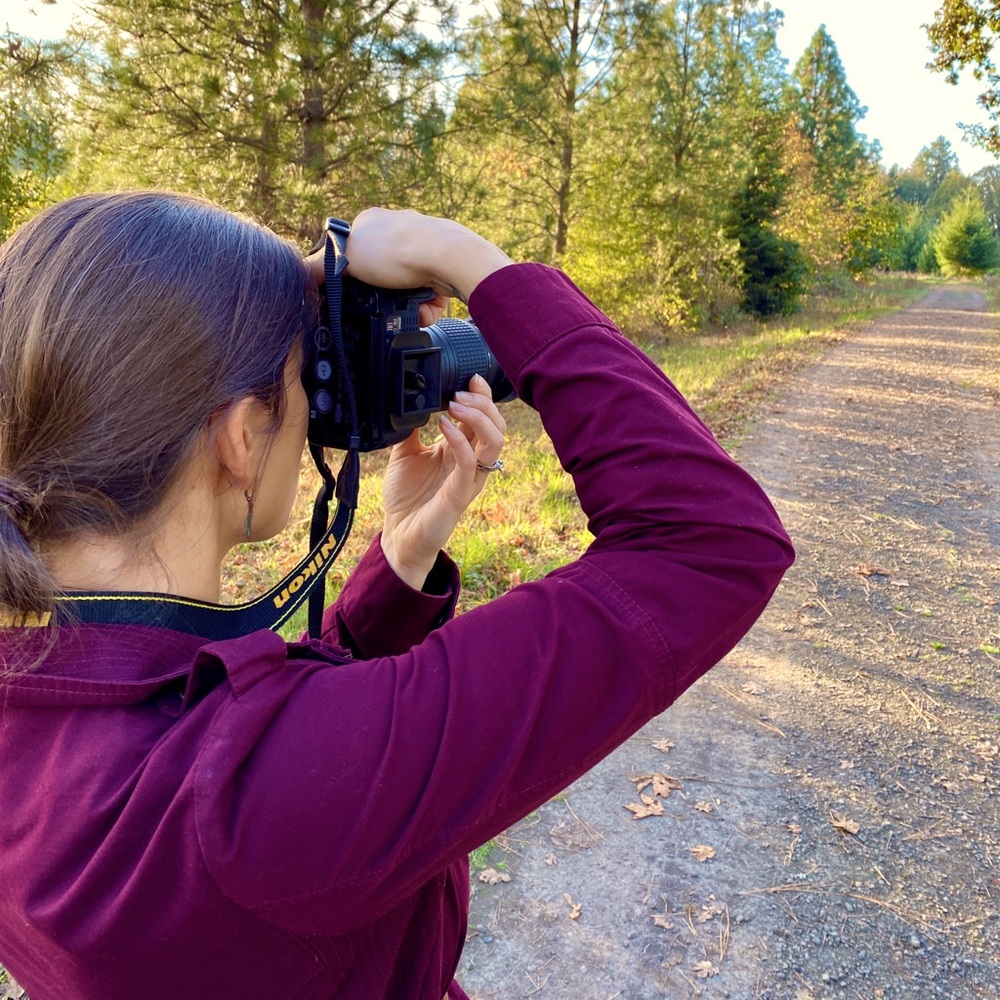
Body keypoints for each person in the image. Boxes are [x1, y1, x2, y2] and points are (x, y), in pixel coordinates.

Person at [0, 191, 794, 1000]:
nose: (313, 411)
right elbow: (712, 543)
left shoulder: (37, 723)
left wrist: (401, 563)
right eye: (300, 381)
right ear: (240, 439)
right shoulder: (243, 798)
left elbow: (255, 746)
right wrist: (457, 253)